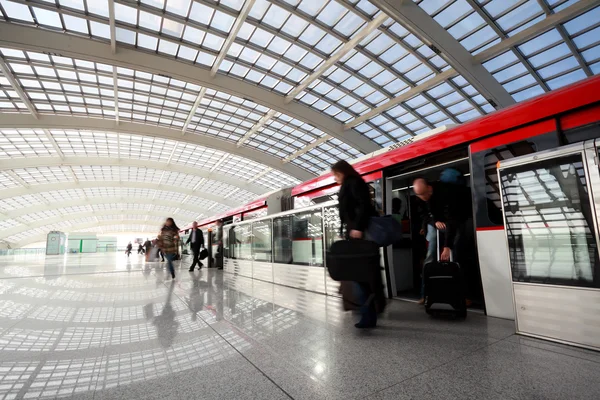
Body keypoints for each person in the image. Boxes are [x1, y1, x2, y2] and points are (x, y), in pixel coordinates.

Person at [332, 160, 383, 329]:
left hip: (359, 233)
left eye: (336, 174)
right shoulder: (350, 183)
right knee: (360, 273)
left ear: (343, 172)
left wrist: (357, 228)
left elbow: (363, 206)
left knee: (361, 274)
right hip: (354, 232)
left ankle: (369, 312)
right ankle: (368, 309)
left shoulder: (354, 183)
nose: (335, 178)